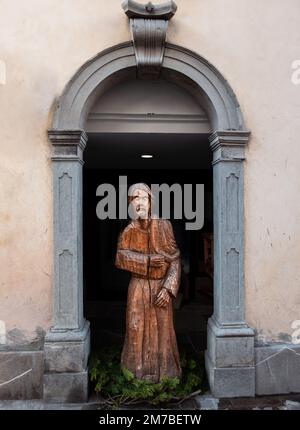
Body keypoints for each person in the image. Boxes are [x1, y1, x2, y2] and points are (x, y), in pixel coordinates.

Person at [115, 183, 182, 382]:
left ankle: (166, 376)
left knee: (163, 332)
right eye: (135, 198)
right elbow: (120, 258)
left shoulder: (163, 226)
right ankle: (135, 376)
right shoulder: (128, 231)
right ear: (130, 204)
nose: (140, 202)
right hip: (138, 287)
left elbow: (175, 259)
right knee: (136, 328)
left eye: (144, 198)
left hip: (161, 286)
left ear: (151, 202)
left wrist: (169, 289)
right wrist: (147, 261)